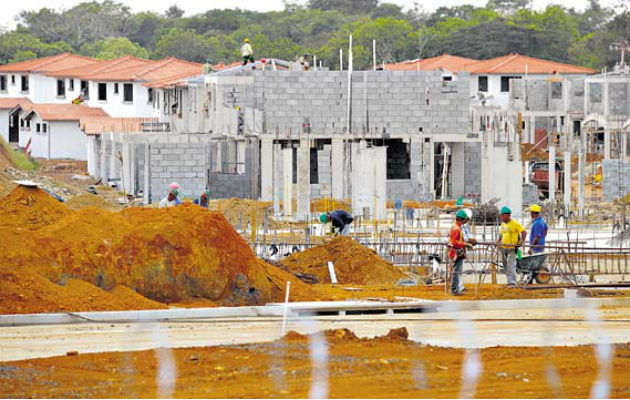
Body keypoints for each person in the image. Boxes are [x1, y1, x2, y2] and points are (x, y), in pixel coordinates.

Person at [496, 206, 527, 287]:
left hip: (512, 248)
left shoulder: (515, 224)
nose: (501, 217)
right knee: (505, 266)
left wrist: (520, 242)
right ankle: (509, 280)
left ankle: (512, 283)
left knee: (511, 265)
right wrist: (498, 242)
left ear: (508, 215)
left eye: (503, 215)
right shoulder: (503, 224)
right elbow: (501, 234)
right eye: (501, 215)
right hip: (504, 248)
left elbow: (524, 232)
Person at [449, 209, 472, 295]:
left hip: (457, 251)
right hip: (456, 252)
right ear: (462, 219)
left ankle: (456, 288)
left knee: (457, 271)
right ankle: (454, 289)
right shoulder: (457, 229)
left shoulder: (456, 227)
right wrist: (466, 244)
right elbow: (455, 242)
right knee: (456, 271)